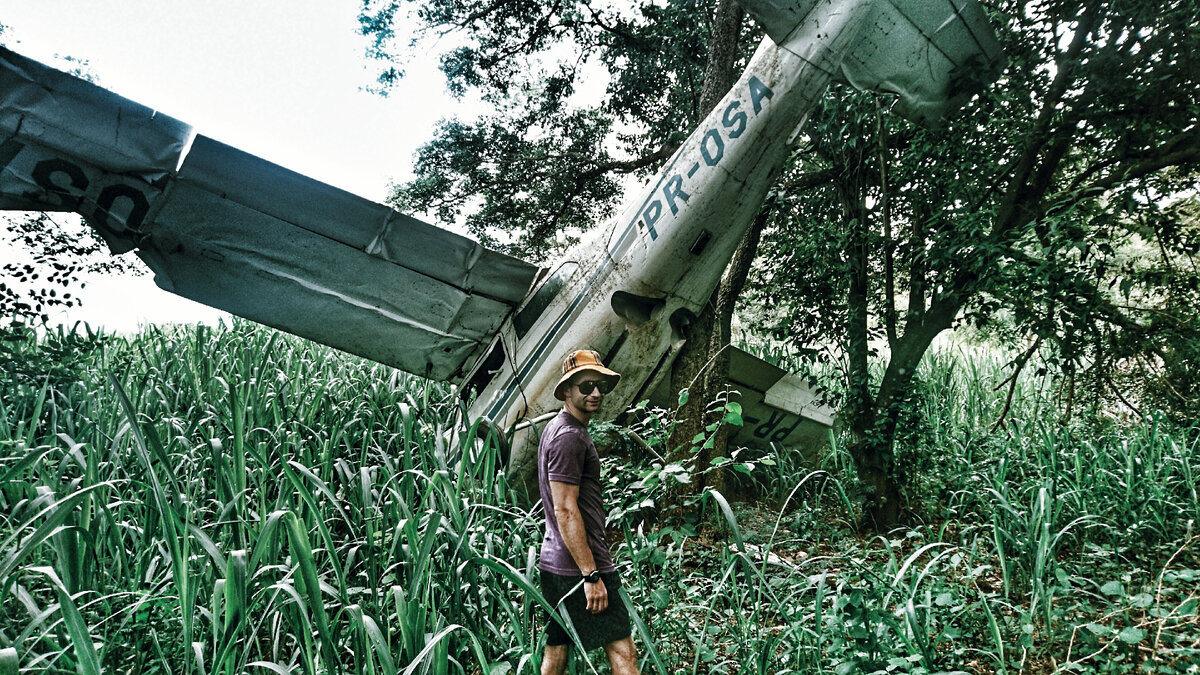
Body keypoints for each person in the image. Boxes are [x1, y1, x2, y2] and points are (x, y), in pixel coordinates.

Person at [537, 349, 641, 675]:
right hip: (579, 566)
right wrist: (591, 575)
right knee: (623, 652)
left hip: (555, 563)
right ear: (567, 391)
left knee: (557, 650)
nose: (595, 393)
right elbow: (565, 509)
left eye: (600, 386)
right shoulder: (569, 437)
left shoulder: (557, 428)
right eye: (586, 386)